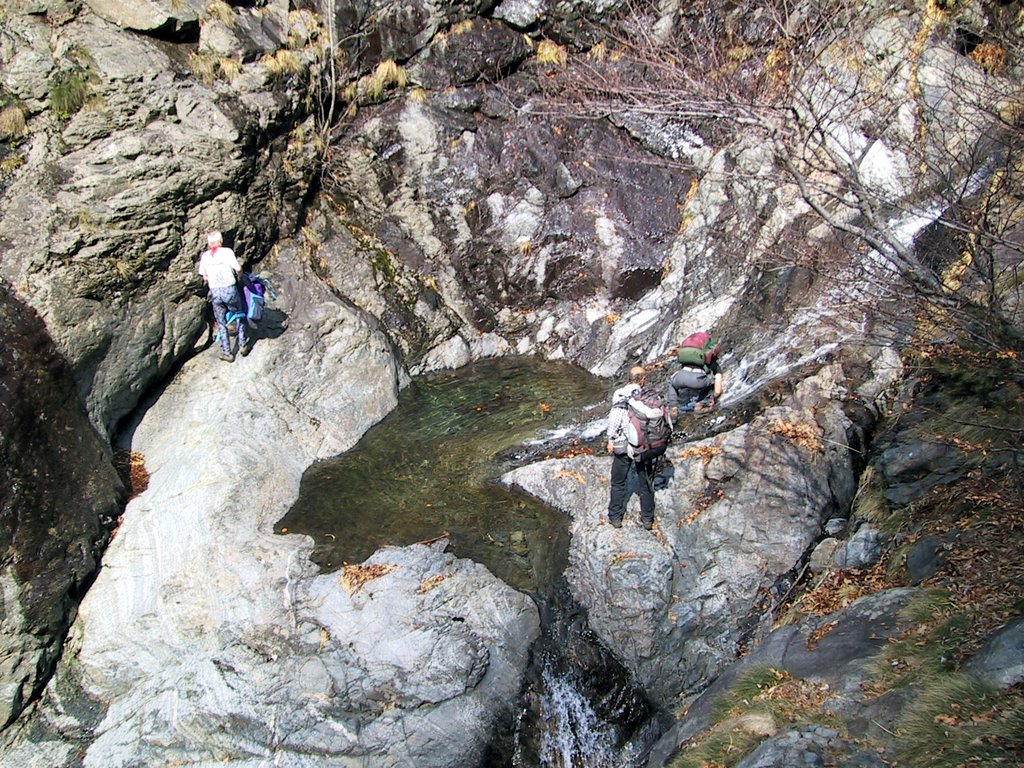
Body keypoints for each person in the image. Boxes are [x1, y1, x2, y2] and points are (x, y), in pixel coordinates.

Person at [606, 366, 659, 531]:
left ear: (629, 378)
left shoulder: (620, 395)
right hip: (644, 446)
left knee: (618, 482)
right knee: (646, 483)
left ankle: (615, 517)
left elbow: (614, 421)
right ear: (642, 380)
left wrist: (610, 440)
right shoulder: (648, 396)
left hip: (622, 445)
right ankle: (647, 519)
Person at [197, 230, 249, 362]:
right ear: (221, 242)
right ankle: (243, 344)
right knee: (240, 314)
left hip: (215, 292)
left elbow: (205, 277)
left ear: (209, 244)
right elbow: (238, 269)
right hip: (229, 290)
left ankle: (227, 352)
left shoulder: (205, 256)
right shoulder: (227, 252)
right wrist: (241, 277)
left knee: (221, 322)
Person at [667, 347, 723, 420]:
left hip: (681, 377)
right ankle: (700, 405)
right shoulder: (711, 362)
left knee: (672, 384)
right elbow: (717, 383)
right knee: (710, 385)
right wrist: (715, 395)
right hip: (698, 381)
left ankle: (673, 409)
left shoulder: (688, 357)